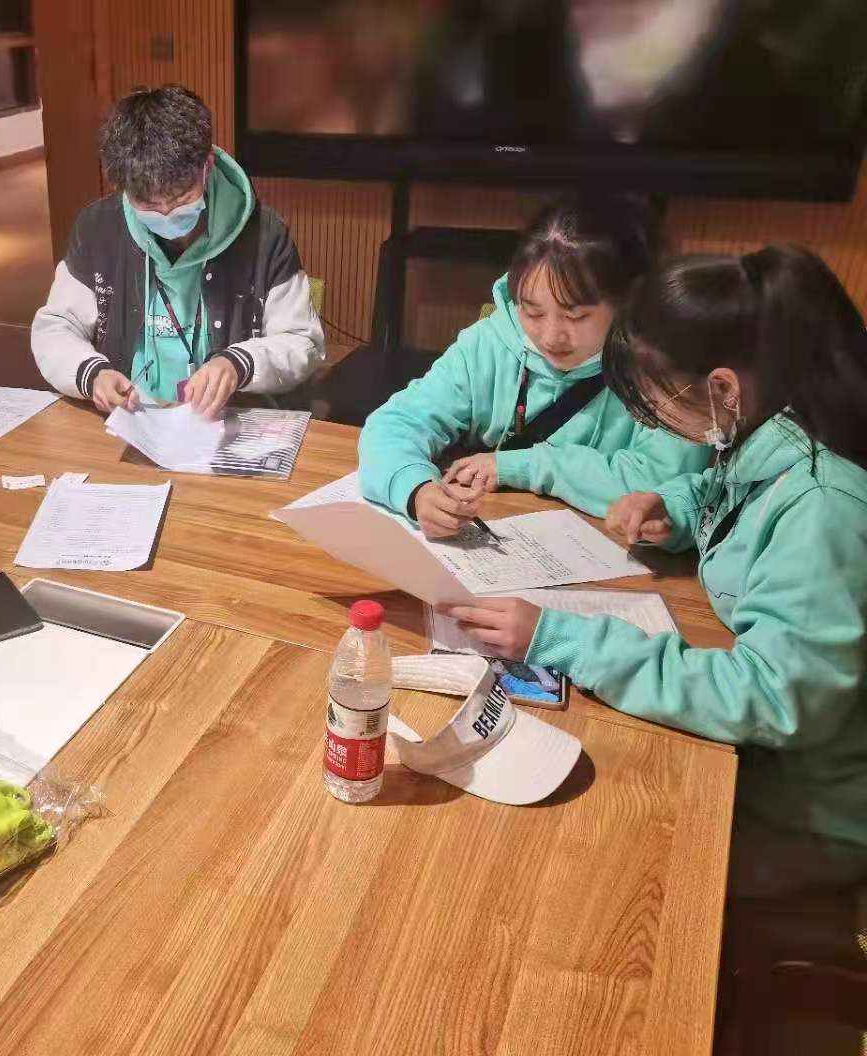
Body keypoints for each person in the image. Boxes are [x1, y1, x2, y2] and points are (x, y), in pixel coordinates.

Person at [443, 246, 867, 898]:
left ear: (723, 389)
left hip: (809, 810)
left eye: (659, 397)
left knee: (586, 871)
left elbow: (774, 698)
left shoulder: (824, 505)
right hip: (768, 765)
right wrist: (677, 508)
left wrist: (562, 640)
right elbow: (744, 502)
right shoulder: (778, 436)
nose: (657, 417)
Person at [357, 193, 709, 536]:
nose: (551, 336)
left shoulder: (666, 368)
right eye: (533, 312)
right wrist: (415, 489)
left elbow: (667, 487)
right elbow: (396, 423)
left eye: (576, 315)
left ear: (628, 301)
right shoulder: (491, 343)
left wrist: (525, 465)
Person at [32, 85, 324, 417]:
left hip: (228, 422)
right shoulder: (99, 228)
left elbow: (303, 342)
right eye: (148, 207)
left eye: (182, 200)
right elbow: (56, 327)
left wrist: (239, 364)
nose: (167, 216)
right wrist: (92, 373)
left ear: (207, 165)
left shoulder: (264, 235)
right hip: (131, 420)